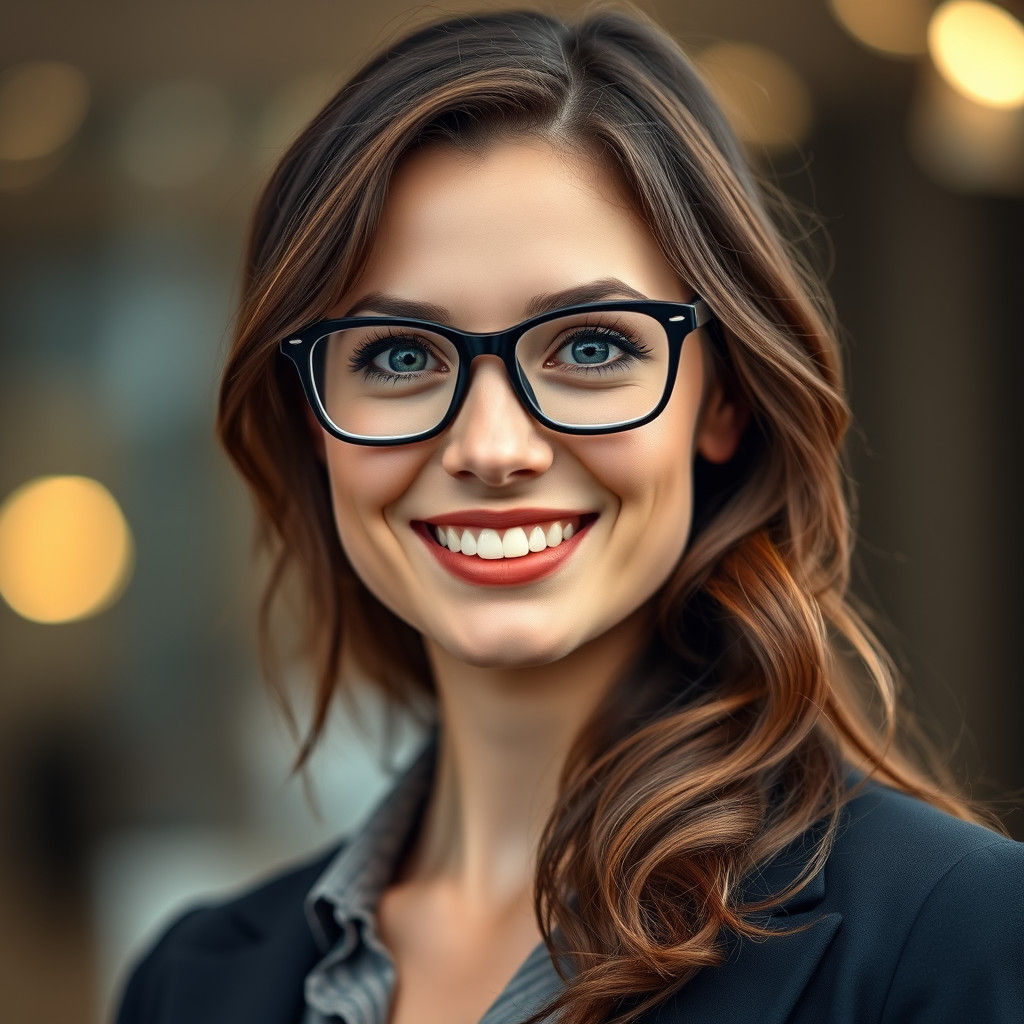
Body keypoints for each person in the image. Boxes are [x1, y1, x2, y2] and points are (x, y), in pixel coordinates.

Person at [111, 4, 1023, 1023]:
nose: (493, 450)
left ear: (722, 399)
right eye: (400, 357)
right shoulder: (188, 984)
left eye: (591, 347)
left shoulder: (953, 938)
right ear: (313, 421)